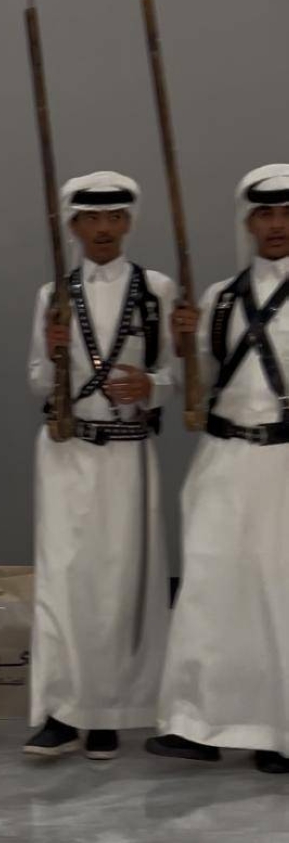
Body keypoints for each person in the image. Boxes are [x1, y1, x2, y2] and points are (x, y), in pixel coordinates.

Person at [25, 173, 177, 760]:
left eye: (114, 217)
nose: (104, 228)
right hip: (66, 452)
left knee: (119, 582)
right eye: (92, 218)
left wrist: (152, 385)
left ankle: (107, 712)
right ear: (74, 226)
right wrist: (52, 351)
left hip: (129, 453)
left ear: (128, 222)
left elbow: (178, 373)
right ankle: (62, 711)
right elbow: (37, 380)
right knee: (63, 578)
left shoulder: (156, 290)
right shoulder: (53, 295)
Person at [147, 165, 289, 774]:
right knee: (209, 586)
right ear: (248, 222)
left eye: (286, 213)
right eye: (266, 213)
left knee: (279, 594)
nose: (277, 225)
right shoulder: (220, 299)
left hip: (285, 461)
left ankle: (280, 734)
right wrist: (185, 343)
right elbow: (196, 386)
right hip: (224, 459)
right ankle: (197, 723)